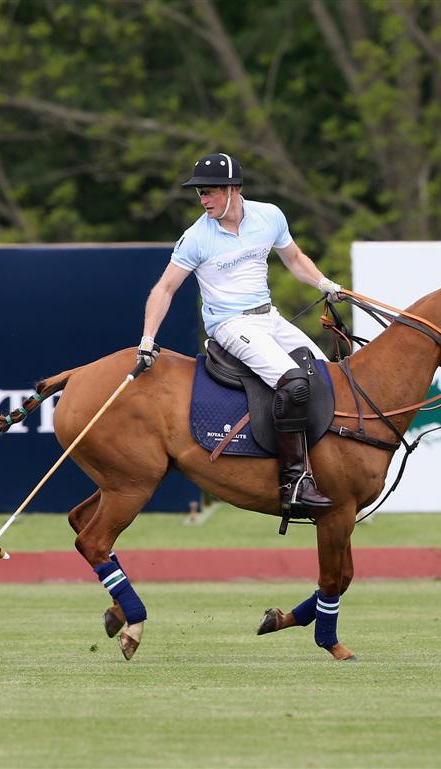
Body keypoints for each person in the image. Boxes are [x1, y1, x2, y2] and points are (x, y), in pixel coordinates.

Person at [137, 152, 343, 513]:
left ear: (233, 189)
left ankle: (331, 468)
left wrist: (323, 282)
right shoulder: (196, 238)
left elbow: (294, 259)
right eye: (200, 193)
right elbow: (164, 289)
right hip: (230, 326)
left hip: (270, 318)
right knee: (294, 383)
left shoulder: (269, 216)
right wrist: (148, 338)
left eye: (210, 192)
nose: (203, 201)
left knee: (330, 377)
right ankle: (294, 481)